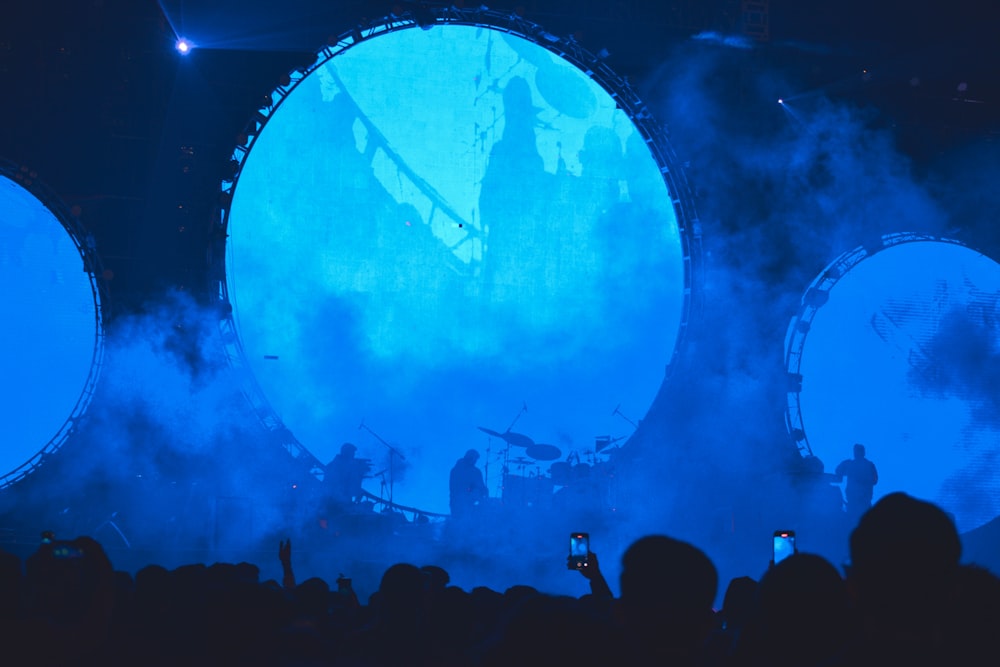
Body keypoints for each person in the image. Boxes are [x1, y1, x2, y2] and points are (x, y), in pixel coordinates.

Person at [834, 443, 878, 524]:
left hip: (855, 502)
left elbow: (838, 471)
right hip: (863, 501)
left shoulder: (850, 464)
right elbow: (875, 481)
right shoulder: (870, 465)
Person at [324, 442, 369, 510]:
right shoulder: (336, 466)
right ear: (347, 453)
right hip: (335, 504)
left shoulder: (335, 465)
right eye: (352, 453)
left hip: (339, 503)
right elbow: (343, 485)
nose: (353, 455)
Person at [449, 449, 487, 519]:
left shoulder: (476, 472)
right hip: (459, 505)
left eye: (476, 459)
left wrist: (483, 492)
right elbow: (455, 489)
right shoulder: (457, 470)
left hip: (468, 505)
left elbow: (481, 488)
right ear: (469, 457)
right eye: (474, 459)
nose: (475, 461)